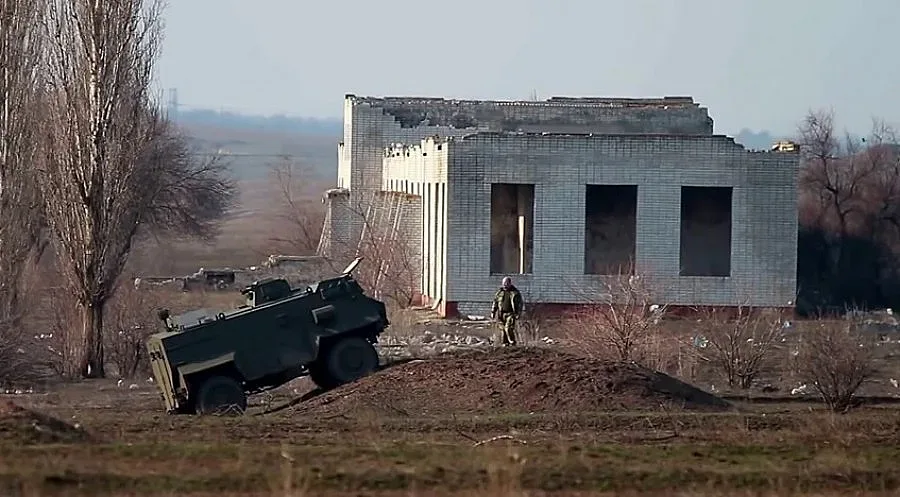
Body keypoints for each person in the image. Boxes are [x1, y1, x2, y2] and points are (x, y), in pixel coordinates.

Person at [490, 277, 523, 346]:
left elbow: (520, 304)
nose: (505, 285)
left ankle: (512, 342)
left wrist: (518, 313)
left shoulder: (515, 293)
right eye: (504, 283)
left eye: (507, 283)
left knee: (508, 328)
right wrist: (493, 312)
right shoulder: (499, 292)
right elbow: (495, 302)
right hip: (501, 314)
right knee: (503, 330)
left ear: (510, 283)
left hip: (511, 313)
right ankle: (505, 343)